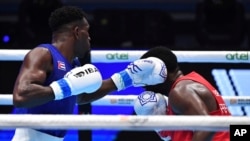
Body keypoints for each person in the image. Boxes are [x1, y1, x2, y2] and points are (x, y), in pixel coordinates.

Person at [11, 6, 167, 141]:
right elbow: (21, 96)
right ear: (77, 32)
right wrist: (64, 88)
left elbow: (80, 96)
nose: (90, 37)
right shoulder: (43, 53)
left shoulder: (74, 64)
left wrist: (124, 79)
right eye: (88, 32)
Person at [135, 46, 231, 141]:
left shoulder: (180, 92)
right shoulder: (189, 82)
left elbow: (206, 127)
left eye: (147, 76)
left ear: (161, 72)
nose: (146, 84)